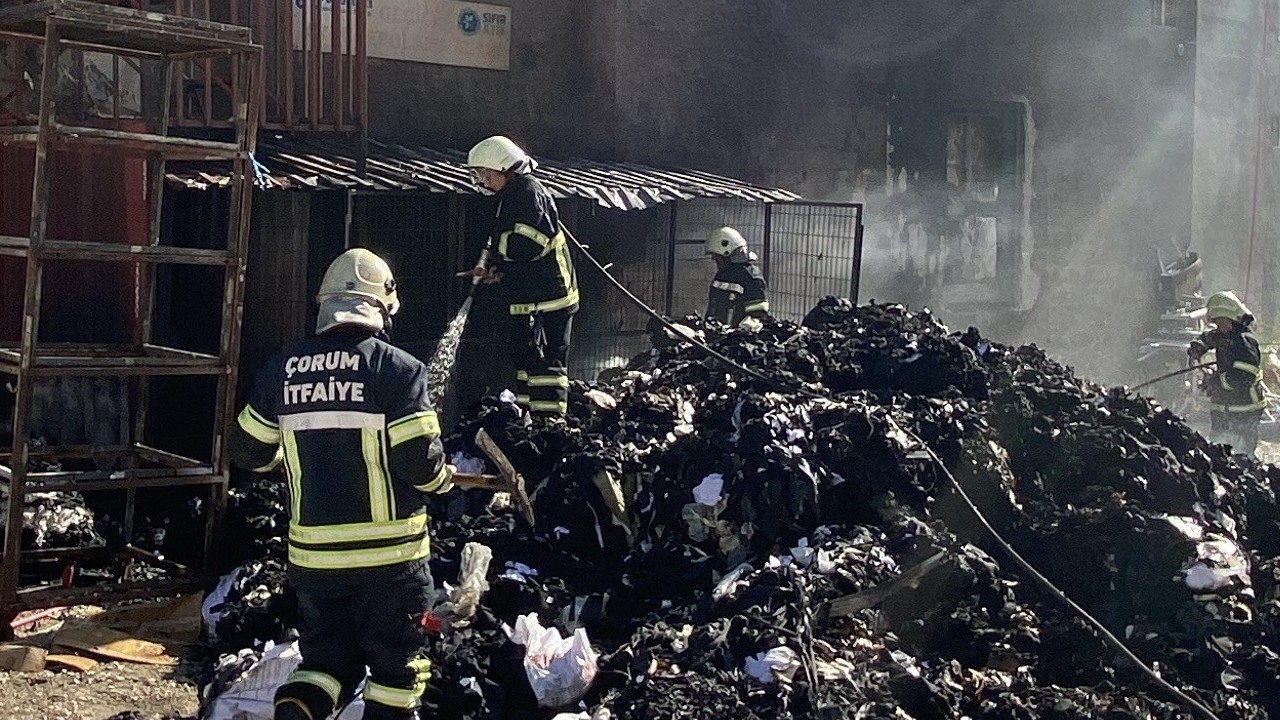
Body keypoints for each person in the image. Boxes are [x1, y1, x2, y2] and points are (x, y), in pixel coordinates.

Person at [228, 248, 455, 720]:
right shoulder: (399, 370)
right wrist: (441, 481)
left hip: (314, 563)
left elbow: (248, 452)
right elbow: (418, 461)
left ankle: (298, 709)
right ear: (382, 305)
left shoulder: (283, 369)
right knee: (398, 672)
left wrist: (290, 456)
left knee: (324, 665)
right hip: (391, 565)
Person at [463, 135, 578, 417]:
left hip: (551, 294)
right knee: (525, 358)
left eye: (486, 175)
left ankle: (550, 423)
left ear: (504, 169)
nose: (482, 182)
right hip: (526, 293)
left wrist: (496, 258)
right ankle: (528, 415)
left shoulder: (530, 194)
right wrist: (497, 269)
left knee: (549, 362)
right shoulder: (510, 196)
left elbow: (529, 244)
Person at [1188, 290, 1266, 455]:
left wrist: (1217, 381)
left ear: (1232, 318)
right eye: (1217, 323)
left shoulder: (1244, 342)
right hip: (1223, 407)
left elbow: (1245, 376)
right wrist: (1197, 349)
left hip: (1244, 408)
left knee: (1240, 453)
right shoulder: (1224, 335)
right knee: (1219, 451)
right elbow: (1208, 338)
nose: (1219, 327)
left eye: (1222, 322)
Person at [704, 226, 769, 325]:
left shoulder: (752, 278)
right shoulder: (722, 275)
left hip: (738, 338)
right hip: (716, 334)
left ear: (727, 253)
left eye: (717, 256)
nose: (715, 260)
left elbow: (757, 318)